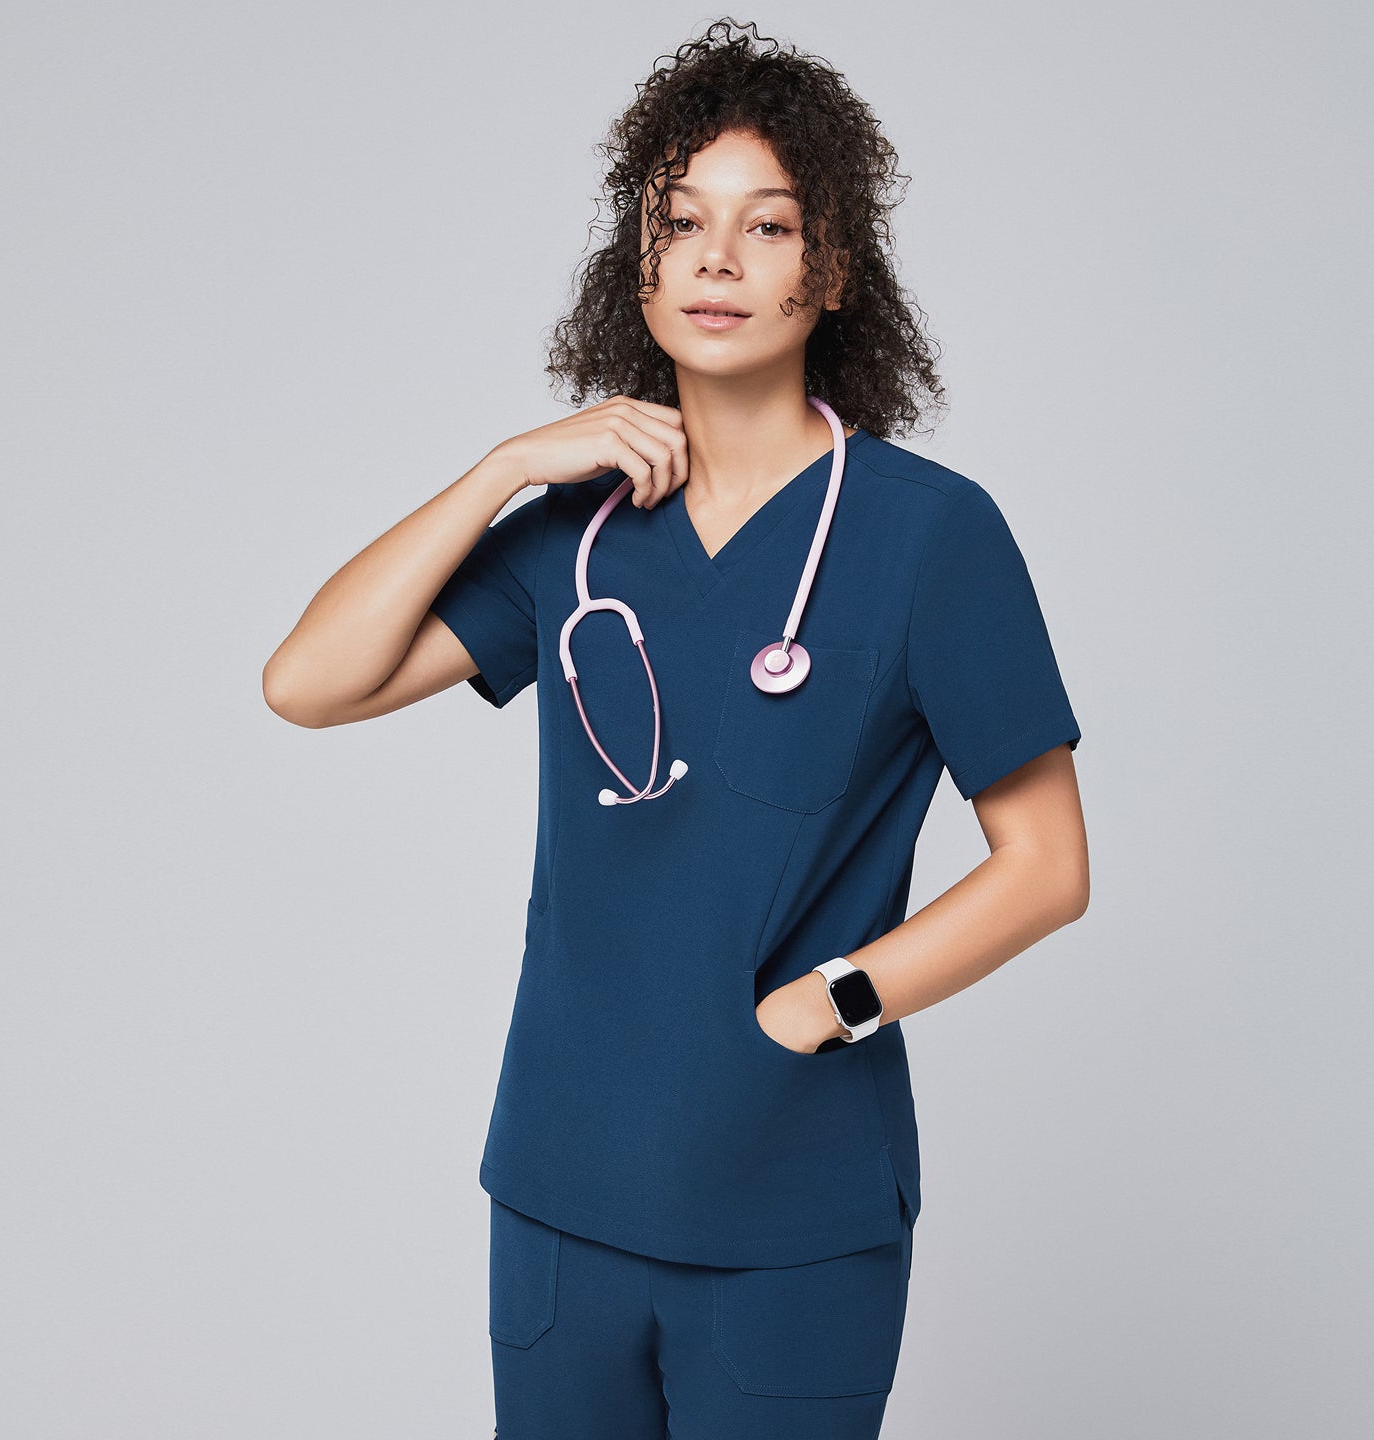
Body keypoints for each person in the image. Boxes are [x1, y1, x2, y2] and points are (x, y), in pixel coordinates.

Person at [263, 17, 1090, 1439]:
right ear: (634, 265)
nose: (716, 259)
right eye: (680, 223)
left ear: (828, 270)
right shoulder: (579, 538)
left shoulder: (927, 538)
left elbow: (1045, 865)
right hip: (558, 1198)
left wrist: (832, 1004)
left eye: (766, 226)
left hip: (790, 1210)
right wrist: (504, 468)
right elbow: (309, 683)